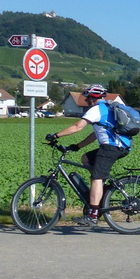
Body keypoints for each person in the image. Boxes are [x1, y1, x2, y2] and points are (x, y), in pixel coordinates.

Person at [45, 84, 131, 226]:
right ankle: (101, 191)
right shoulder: (106, 108)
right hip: (116, 146)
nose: (86, 100)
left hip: (112, 147)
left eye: (87, 98)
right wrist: (78, 146)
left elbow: (77, 126)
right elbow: (95, 134)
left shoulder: (96, 109)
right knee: (86, 159)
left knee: (96, 178)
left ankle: (93, 215)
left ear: (93, 97)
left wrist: (55, 135)